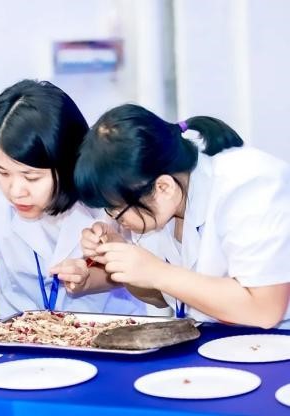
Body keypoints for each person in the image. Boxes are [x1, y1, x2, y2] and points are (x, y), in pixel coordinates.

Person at [0, 80, 144, 341]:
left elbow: (143, 267)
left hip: (110, 333)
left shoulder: (105, 178)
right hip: (19, 337)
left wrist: (92, 276)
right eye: (3, 172)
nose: (16, 191)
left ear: (66, 163)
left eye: (31, 177)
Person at [74, 103, 290, 328]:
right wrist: (121, 258)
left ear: (163, 187)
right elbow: (161, 297)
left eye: (118, 210)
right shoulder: (162, 200)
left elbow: (264, 310)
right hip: (216, 338)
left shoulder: (249, 186)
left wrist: (158, 272)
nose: (116, 219)